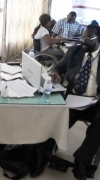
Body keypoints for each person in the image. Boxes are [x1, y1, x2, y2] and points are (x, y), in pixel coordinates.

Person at [50, 24, 100, 180]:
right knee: (53, 120)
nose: (83, 42)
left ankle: (81, 159)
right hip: (73, 100)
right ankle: (42, 152)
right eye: (82, 37)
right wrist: (56, 73)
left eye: (88, 39)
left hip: (96, 103)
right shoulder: (74, 51)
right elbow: (57, 67)